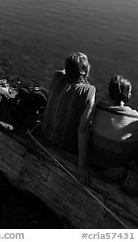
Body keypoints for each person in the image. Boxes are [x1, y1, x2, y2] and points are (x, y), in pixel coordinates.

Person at [40, 52, 96, 184]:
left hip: (46, 132)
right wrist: (82, 165)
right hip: (65, 144)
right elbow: (83, 130)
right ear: (86, 70)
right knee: (90, 127)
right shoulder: (89, 91)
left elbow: (62, 71)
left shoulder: (57, 76)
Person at [89, 75, 138, 169]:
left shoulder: (99, 106)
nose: (130, 94)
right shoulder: (134, 116)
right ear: (126, 95)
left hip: (94, 157)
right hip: (118, 163)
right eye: (129, 92)